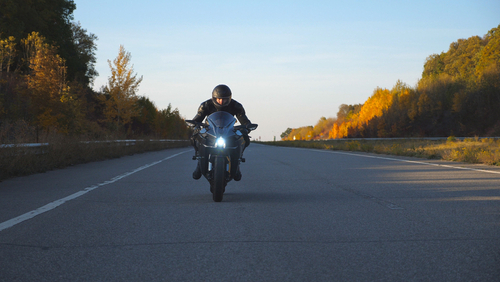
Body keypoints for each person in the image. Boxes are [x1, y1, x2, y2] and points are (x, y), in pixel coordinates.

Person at [191, 84, 252, 181]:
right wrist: (195, 125)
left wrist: (247, 127)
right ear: (214, 98)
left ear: (229, 98)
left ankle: (237, 161)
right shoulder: (206, 105)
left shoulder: (236, 105)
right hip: (210, 131)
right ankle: (199, 160)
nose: (221, 101)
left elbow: (244, 120)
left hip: (228, 131)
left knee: (245, 137)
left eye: (224, 99)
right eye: (219, 99)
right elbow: (197, 119)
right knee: (194, 136)